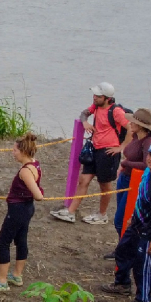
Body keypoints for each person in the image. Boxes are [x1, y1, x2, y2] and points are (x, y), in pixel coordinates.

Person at [100, 141, 151, 302]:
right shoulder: (148, 172)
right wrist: (133, 218)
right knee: (122, 251)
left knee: (143, 266)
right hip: (136, 223)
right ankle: (121, 284)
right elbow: (141, 198)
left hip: (150, 231)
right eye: (150, 155)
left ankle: (143, 300)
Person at [51, 82, 130, 225]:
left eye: (98, 96)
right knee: (84, 179)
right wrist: (85, 122)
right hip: (95, 149)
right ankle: (71, 212)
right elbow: (84, 113)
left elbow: (130, 128)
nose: (94, 98)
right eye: (94, 95)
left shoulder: (116, 111)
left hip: (108, 152)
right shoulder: (96, 106)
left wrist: (121, 147)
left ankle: (102, 214)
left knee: (104, 184)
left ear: (106, 98)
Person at [0, 133, 45, 292]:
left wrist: (37, 193)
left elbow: (38, 195)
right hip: (26, 209)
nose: (13, 153)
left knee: (2, 242)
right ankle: (16, 275)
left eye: (15, 150)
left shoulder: (25, 171)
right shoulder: (35, 164)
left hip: (19, 210)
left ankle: (2, 281)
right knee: (21, 240)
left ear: (23, 151)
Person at [106, 108, 151, 259]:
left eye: (134, 121)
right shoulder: (135, 137)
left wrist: (126, 163)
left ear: (141, 125)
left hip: (136, 182)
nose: (130, 123)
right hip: (126, 178)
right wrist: (125, 166)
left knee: (122, 219)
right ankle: (122, 247)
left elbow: (148, 164)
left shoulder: (148, 142)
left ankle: (125, 249)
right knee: (120, 218)